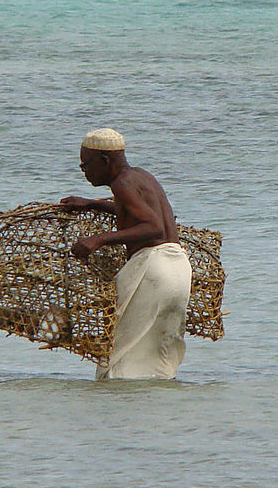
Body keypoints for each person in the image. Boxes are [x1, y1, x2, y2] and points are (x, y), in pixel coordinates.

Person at [61, 128, 192, 380]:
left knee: (119, 357)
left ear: (104, 160)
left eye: (85, 164)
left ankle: (119, 412)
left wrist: (98, 239)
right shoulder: (141, 177)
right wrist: (92, 203)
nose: (84, 171)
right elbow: (136, 212)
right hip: (178, 268)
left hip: (153, 269)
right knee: (158, 356)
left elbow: (152, 227)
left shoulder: (122, 184)